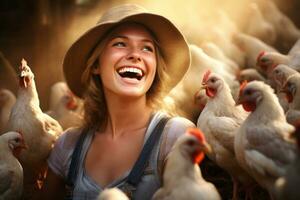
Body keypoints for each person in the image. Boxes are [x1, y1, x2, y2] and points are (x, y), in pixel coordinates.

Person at [42, 4, 194, 200]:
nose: (135, 55)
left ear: (156, 68)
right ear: (96, 64)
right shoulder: (68, 145)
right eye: (120, 44)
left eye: (147, 48)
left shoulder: (175, 137)